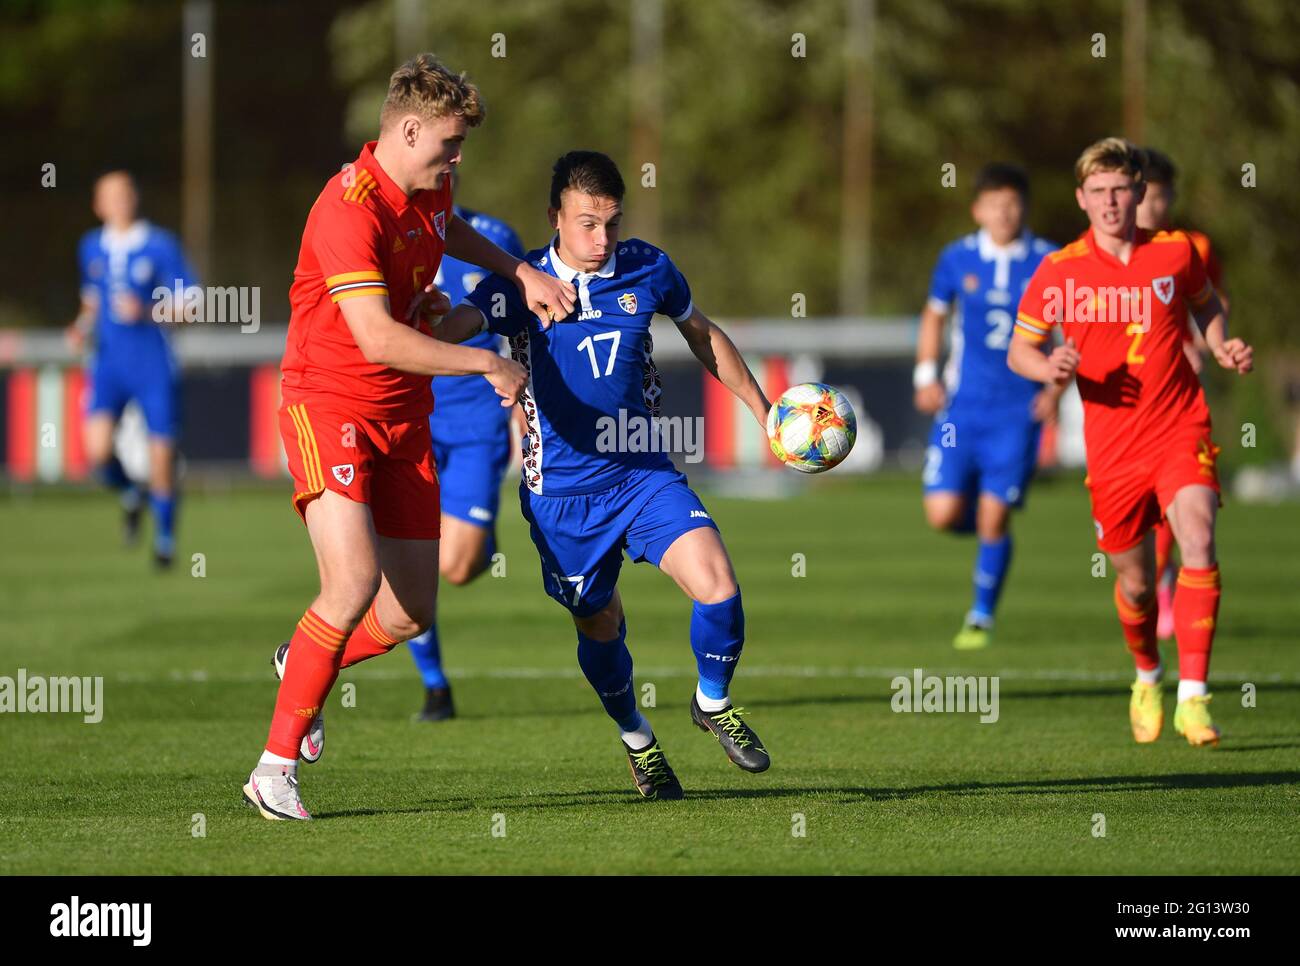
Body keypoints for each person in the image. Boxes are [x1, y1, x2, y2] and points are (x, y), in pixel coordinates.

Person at [243, 54, 575, 821]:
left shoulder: (432, 185)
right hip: (331, 405)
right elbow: (378, 341)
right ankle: (273, 767)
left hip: (403, 413)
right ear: (409, 128)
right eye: (450, 145)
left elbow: (445, 227)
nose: (458, 159)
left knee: (408, 613)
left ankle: (303, 662)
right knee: (352, 584)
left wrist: (516, 272)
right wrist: (485, 361)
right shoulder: (346, 207)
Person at [433, 150, 772, 800]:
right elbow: (457, 328)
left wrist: (764, 413)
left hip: (641, 469)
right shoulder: (519, 285)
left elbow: (702, 334)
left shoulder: (648, 267)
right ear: (556, 216)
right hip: (562, 497)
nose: (601, 239)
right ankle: (638, 738)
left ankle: (711, 699)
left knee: (719, 587)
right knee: (600, 624)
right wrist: (421, 327)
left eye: (611, 223)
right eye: (587, 223)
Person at [1009, 137, 1253, 747]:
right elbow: (1020, 350)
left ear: (1141, 194)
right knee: (1137, 582)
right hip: (1113, 447)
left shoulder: (1176, 254)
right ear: (1082, 199)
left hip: (1179, 425)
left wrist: (1221, 343)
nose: (1112, 201)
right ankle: (1148, 673)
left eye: (1122, 189)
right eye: (1100, 192)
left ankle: (1194, 698)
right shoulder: (1060, 270)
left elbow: (1207, 304)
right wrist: (1051, 368)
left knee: (1197, 535)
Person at [913, 163, 1060, 649]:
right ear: (978, 208)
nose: (1004, 211)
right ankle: (990, 519)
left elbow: (1070, 333)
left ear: (1025, 207)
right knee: (940, 514)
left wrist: (1055, 391)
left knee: (995, 518)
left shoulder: (1049, 260)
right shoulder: (956, 258)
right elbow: (934, 318)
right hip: (961, 407)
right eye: (995, 202)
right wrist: (926, 376)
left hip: (1017, 411)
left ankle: (980, 616)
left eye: (1013, 202)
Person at [405, 185, 527, 722]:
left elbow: (530, 324)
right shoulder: (390, 233)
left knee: (457, 567)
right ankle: (435, 686)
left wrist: (525, 401)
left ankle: (479, 537)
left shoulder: (493, 239)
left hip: (478, 419)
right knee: (407, 557)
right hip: (411, 415)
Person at [67, 171, 196, 567]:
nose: (119, 202)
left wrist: (148, 311)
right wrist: (81, 326)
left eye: (125, 194)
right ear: (98, 204)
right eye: (110, 196)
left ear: (134, 198)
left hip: (152, 362)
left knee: (161, 456)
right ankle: (130, 492)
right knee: (97, 451)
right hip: (108, 364)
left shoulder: (159, 245)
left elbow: (191, 304)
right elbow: (92, 301)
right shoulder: (90, 247)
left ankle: (165, 541)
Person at [1135, 147, 1230, 641]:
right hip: (1127, 406)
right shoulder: (1108, 252)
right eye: (1144, 193)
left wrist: (1205, 345)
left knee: (1185, 497)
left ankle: (1171, 584)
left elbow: (1214, 300)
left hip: (1180, 395)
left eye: (1160, 194)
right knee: (1136, 520)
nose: (1152, 203)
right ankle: (1153, 581)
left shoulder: (1192, 246)